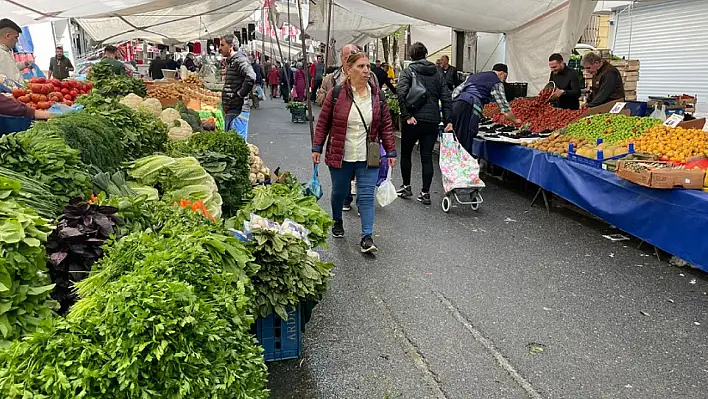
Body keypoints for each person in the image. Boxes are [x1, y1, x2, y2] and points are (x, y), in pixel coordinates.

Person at [312, 51, 397, 253]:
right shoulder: (336, 94)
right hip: (341, 152)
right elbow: (323, 122)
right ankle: (337, 220)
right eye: (361, 66)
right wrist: (317, 147)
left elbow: (386, 124)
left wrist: (391, 151)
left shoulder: (377, 95)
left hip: (368, 155)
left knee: (367, 195)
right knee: (339, 193)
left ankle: (367, 237)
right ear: (348, 70)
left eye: (367, 66)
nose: (366, 70)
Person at [395, 42, 453, 206]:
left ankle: (406, 187)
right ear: (426, 54)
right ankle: (425, 193)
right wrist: (448, 120)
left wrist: (407, 115)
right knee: (427, 157)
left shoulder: (408, 71)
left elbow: (401, 93)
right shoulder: (437, 73)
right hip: (432, 120)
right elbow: (446, 97)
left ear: (412, 56)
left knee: (406, 153)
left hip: (413, 120)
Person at [451, 63, 521, 154]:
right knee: (467, 137)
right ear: (501, 73)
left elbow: (455, 92)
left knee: (457, 136)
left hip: (457, 104)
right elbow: (504, 107)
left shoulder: (474, 76)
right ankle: (465, 164)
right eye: (505, 77)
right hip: (471, 106)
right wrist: (516, 120)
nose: (504, 81)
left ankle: (455, 163)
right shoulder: (496, 82)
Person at [220, 34, 255, 139]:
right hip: (232, 108)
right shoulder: (232, 61)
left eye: (222, 45)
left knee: (236, 142)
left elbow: (251, 76)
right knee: (231, 142)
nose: (219, 48)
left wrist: (240, 93)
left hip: (238, 110)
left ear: (230, 46)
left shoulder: (240, 60)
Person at [0, 19, 31, 83]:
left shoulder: (4, 52)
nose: (17, 41)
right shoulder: (2, 54)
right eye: (16, 37)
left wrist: (24, 64)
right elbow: (14, 81)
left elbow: (11, 68)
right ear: (8, 36)